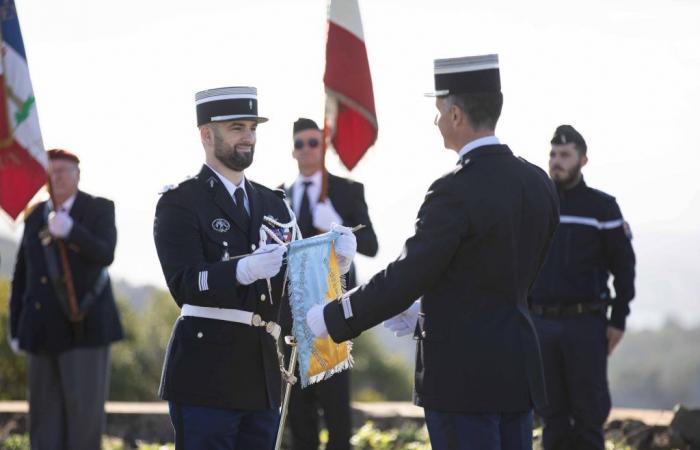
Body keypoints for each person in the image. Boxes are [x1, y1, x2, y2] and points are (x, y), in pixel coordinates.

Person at [305, 54, 560, 450]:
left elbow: (409, 273)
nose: (437, 121)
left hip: (462, 378)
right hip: (517, 370)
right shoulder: (538, 183)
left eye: (439, 111)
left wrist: (337, 315)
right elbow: (509, 274)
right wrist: (425, 306)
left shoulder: (454, 190)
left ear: (456, 115)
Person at [153, 86, 357, 450]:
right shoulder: (182, 201)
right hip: (205, 370)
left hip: (261, 371)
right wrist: (240, 270)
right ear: (206, 134)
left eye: (252, 128)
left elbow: (296, 281)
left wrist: (333, 262)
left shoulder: (273, 203)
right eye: (236, 128)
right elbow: (183, 283)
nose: (248, 137)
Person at [529, 125, 636, 450]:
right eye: (553, 154)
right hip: (541, 325)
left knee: (589, 419)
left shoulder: (602, 208)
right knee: (551, 418)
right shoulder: (535, 203)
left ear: (582, 160)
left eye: (564, 155)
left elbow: (624, 268)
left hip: (585, 325)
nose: (556, 161)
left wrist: (618, 319)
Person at [9, 148, 123, 450]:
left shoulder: (98, 208)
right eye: (52, 171)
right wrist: (15, 328)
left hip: (84, 331)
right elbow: (22, 274)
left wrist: (73, 232)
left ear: (77, 175)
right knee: (44, 425)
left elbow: (105, 253)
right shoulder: (35, 216)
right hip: (40, 330)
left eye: (64, 171)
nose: (57, 177)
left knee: (83, 423)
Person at [281, 117, 378, 450]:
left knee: (337, 417)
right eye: (300, 144)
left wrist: (337, 222)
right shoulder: (279, 195)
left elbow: (372, 245)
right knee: (299, 420)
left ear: (323, 147)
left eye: (313, 142)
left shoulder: (347, 191)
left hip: (334, 313)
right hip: (292, 317)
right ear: (293, 150)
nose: (307, 149)